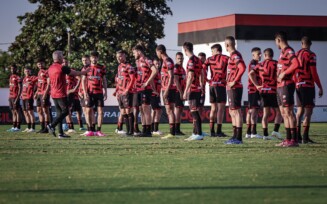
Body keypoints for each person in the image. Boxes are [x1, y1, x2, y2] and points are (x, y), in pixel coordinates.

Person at [47, 50, 89, 138]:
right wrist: (86, 71)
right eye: (62, 56)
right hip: (61, 93)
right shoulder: (61, 67)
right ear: (59, 58)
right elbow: (76, 73)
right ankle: (51, 125)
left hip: (53, 94)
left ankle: (60, 133)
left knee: (59, 114)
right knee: (66, 111)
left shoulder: (50, 67)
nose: (63, 57)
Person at [249, 48, 283, 140]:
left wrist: (257, 85)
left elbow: (250, 74)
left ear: (265, 55)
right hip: (274, 91)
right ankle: (275, 131)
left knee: (266, 114)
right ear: (272, 54)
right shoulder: (276, 63)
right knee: (279, 112)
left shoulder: (260, 65)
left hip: (264, 91)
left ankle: (265, 135)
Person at [295, 36, 323, 144]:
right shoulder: (311, 55)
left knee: (299, 111)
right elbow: (314, 73)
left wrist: (296, 83)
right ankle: (305, 137)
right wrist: (320, 86)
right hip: (308, 85)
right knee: (308, 111)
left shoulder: (296, 54)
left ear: (302, 43)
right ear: (310, 44)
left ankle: (297, 136)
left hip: (298, 85)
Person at [274, 31, 300, 147]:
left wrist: (284, 73)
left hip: (286, 85)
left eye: (276, 41)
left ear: (279, 40)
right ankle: (288, 139)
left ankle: (294, 140)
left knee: (289, 112)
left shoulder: (289, 50)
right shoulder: (282, 52)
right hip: (279, 86)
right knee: (284, 113)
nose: (276, 44)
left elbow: (296, 64)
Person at [203, 44, 229, 137]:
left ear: (216, 50)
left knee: (213, 109)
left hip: (212, 85)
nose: (212, 53)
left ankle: (212, 131)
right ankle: (219, 131)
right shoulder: (227, 58)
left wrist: (207, 80)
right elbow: (233, 69)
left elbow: (202, 69)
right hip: (221, 85)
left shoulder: (209, 59)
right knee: (221, 109)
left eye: (212, 51)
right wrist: (228, 80)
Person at [224, 36, 246, 145]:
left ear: (227, 45)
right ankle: (234, 136)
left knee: (236, 111)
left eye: (225, 44)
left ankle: (238, 138)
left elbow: (242, 67)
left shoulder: (235, 55)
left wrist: (234, 81)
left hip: (235, 87)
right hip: (231, 87)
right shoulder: (232, 55)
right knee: (232, 111)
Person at [132, 45, 157, 137]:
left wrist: (147, 83)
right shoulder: (137, 61)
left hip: (146, 89)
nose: (133, 54)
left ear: (139, 52)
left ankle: (148, 131)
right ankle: (144, 129)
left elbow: (155, 71)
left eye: (134, 52)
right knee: (142, 110)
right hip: (138, 89)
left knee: (146, 109)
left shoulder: (147, 60)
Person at [183, 42, 204, 141]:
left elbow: (190, 76)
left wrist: (185, 90)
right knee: (194, 111)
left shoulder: (191, 61)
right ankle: (195, 132)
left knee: (194, 111)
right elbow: (202, 73)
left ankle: (199, 133)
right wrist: (202, 85)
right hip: (198, 88)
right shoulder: (198, 60)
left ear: (185, 50)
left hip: (193, 89)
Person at [84, 51, 107, 137]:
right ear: (90, 58)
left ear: (98, 58)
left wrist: (105, 91)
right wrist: (85, 92)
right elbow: (83, 80)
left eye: (96, 57)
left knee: (100, 111)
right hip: (89, 93)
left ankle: (98, 130)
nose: (94, 59)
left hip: (99, 93)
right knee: (88, 111)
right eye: (93, 57)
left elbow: (104, 80)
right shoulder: (87, 67)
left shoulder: (102, 67)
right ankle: (90, 130)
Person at [156, 44, 177, 139]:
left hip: (168, 89)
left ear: (160, 51)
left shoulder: (167, 61)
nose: (157, 54)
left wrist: (167, 90)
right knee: (170, 110)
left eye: (157, 52)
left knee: (169, 111)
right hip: (167, 88)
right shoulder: (165, 61)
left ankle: (172, 133)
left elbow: (171, 76)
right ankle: (173, 132)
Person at [115, 50, 136, 136]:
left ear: (124, 56)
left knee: (128, 111)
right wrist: (116, 91)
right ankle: (128, 131)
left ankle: (131, 131)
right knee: (123, 112)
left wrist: (127, 89)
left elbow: (133, 78)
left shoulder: (129, 66)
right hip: (120, 93)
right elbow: (118, 80)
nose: (119, 58)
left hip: (127, 92)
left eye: (120, 56)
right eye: (117, 57)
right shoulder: (119, 66)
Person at [245, 47, 262, 139]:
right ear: (253, 55)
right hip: (253, 90)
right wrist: (257, 86)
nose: (260, 55)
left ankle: (248, 132)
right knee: (253, 111)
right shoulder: (253, 63)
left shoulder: (256, 63)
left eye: (260, 53)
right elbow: (251, 75)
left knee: (251, 111)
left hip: (253, 90)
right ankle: (253, 133)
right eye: (258, 54)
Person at [63, 58, 83, 134]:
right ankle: (68, 127)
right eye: (63, 62)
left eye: (66, 62)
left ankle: (71, 128)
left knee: (68, 111)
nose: (64, 63)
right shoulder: (60, 71)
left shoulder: (71, 70)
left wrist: (75, 89)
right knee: (65, 111)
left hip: (70, 94)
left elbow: (79, 78)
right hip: (62, 93)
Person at [34, 58, 51, 133]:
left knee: (45, 111)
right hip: (39, 94)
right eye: (38, 64)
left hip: (44, 94)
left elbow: (49, 83)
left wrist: (45, 93)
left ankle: (47, 128)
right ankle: (42, 127)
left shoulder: (47, 72)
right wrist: (36, 92)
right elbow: (39, 84)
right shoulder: (39, 72)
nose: (40, 65)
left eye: (41, 64)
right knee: (39, 110)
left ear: (44, 64)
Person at [21, 67, 38, 132]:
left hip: (29, 97)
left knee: (30, 112)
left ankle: (33, 128)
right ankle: (28, 127)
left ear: (30, 72)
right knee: (25, 112)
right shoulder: (24, 79)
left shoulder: (33, 77)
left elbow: (39, 81)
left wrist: (36, 92)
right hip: (23, 97)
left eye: (28, 71)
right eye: (25, 71)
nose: (26, 72)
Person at [174, 52, 186, 135]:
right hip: (177, 91)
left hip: (182, 91)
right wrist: (181, 92)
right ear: (176, 59)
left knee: (180, 110)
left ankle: (178, 129)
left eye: (181, 58)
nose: (180, 60)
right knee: (177, 110)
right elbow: (176, 81)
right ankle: (175, 129)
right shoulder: (176, 67)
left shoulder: (183, 69)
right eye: (178, 58)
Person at [7, 64, 22, 132]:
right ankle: (14, 126)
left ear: (16, 69)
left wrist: (17, 98)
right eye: (11, 69)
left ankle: (18, 127)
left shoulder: (17, 77)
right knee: (13, 112)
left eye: (13, 68)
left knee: (17, 112)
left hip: (15, 97)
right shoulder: (10, 76)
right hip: (10, 97)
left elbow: (20, 88)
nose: (12, 70)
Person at [79, 55, 91, 135]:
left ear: (89, 60)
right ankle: (88, 129)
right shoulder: (83, 69)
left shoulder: (90, 69)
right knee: (85, 112)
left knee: (89, 111)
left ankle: (90, 129)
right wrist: (79, 91)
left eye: (86, 60)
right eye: (83, 60)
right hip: (82, 93)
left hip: (87, 93)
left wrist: (86, 92)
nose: (84, 62)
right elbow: (81, 82)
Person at [151, 57, 163, 135]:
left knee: (157, 111)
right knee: (155, 111)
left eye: (158, 63)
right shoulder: (154, 72)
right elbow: (150, 81)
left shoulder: (159, 73)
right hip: (153, 95)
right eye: (156, 63)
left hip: (157, 95)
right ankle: (154, 129)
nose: (157, 65)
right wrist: (154, 91)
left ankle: (154, 129)